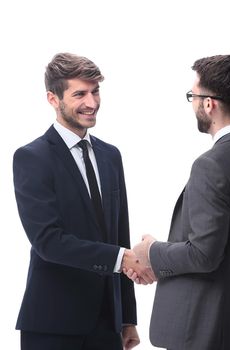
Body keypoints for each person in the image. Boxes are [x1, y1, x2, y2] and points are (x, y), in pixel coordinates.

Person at [125, 55, 230, 350]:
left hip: (205, 332)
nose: (192, 103)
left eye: (193, 96)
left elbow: (204, 254)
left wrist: (151, 251)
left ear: (209, 103)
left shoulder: (212, 164)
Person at [13, 52, 154, 350]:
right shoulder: (32, 158)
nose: (92, 103)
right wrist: (123, 258)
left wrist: (127, 317)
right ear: (53, 99)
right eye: (80, 94)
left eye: (95, 91)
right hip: (53, 324)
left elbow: (119, 234)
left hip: (107, 323)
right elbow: (48, 241)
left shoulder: (110, 155)